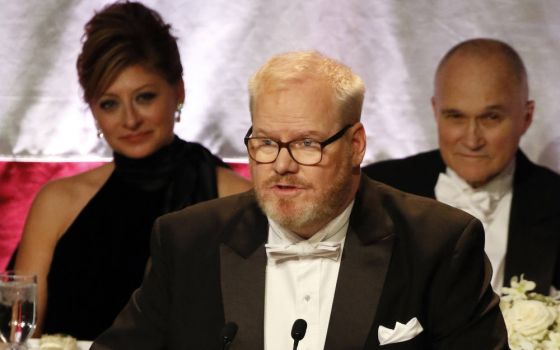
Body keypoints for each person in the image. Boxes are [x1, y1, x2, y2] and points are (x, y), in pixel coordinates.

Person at [91, 51, 507, 349]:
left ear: (356, 144)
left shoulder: (439, 244)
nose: (282, 165)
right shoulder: (186, 240)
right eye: (266, 143)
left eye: (307, 143)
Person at [13, 0, 251, 341]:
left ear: (178, 92)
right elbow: (18, 338)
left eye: (144, 97)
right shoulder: (57, 202)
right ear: (94, 111)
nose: (130, 120)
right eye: (110, 103)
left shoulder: (235, 199)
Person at [363, 38, 560, 294]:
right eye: (455, 116)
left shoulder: (555, 201)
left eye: (491, 118)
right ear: (435, 111)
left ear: (526, 116)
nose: (471, 140)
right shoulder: (374, 190)